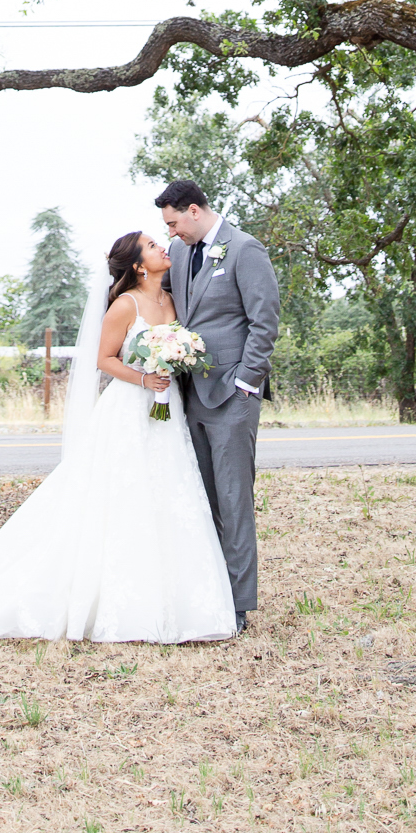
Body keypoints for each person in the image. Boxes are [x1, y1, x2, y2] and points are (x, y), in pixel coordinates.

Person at [0, 229, 237, 643]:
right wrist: (145, 379)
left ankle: (176, 602)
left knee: (167, 494)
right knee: (119, 495)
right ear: (140, 265)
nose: (164, 247)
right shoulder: (125, 305)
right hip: (130, 408)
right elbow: (102, 360)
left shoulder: (173, 301)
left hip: (166, 408)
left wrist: (173, 365)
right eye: (154, 246)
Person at [156, 179, 280, 635]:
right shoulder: (183, 251)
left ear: (193, 210)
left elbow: (264, 322)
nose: (171, 232)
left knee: (233, 500)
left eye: (174, 223)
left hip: (232, 395)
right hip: (190, 394)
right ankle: (210, 593)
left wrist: (247, 383)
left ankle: (239, 605)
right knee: (203, 499)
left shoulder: (245, 250)